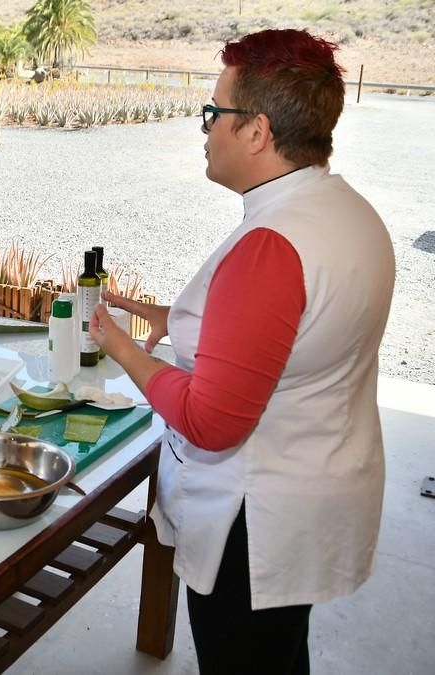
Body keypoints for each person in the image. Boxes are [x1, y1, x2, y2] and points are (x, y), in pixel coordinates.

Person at [90, 29, 395, 675]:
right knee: (280, 657)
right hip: (317, 490)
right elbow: (298, 333)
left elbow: (212, 419)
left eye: (213, 113)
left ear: (255, 130)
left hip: (254, 522)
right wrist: (164, 316)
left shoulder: (270, 243)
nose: (204, 129)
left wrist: (120, 346)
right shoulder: (341, 210)